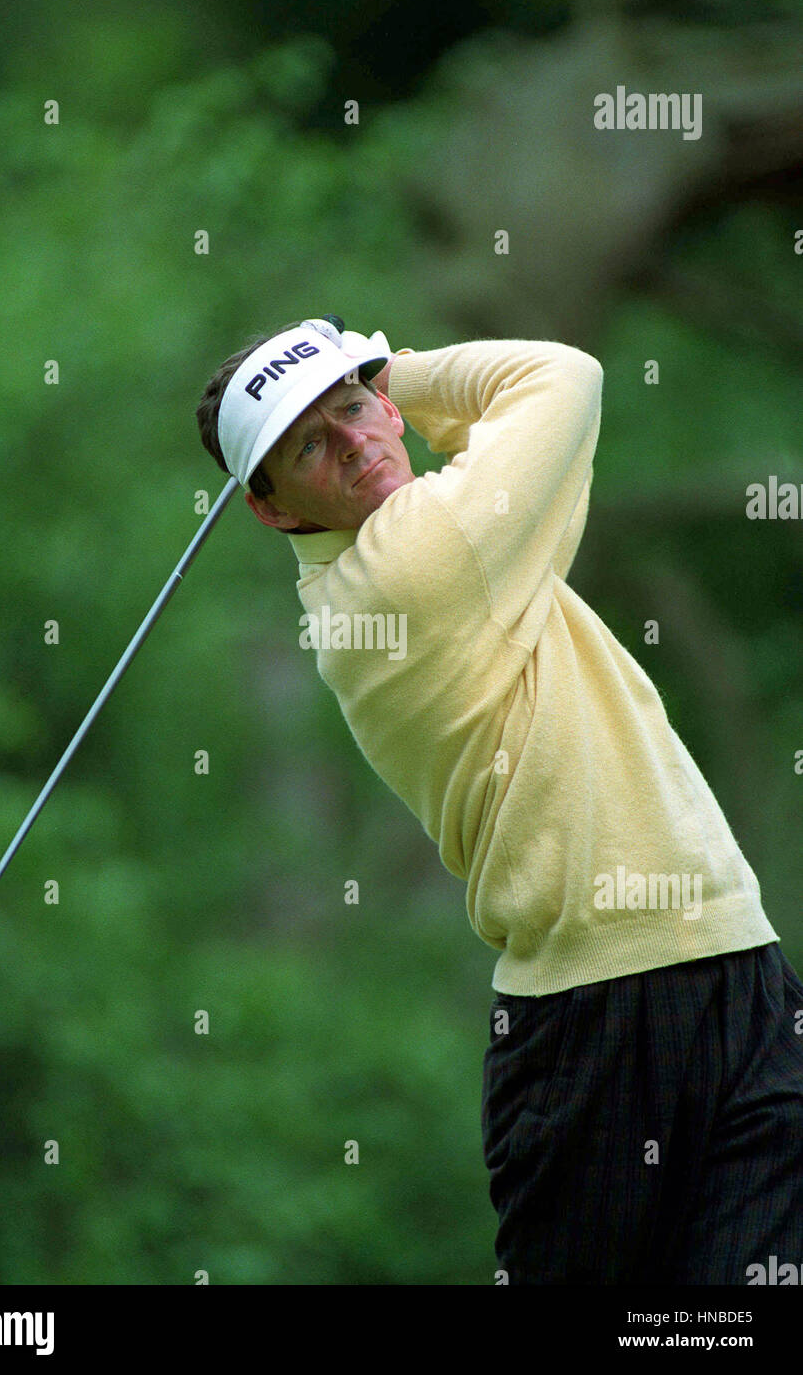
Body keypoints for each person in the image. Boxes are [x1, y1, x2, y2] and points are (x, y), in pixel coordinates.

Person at [196, 314, 803, 1284]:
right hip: (591, 1020)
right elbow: (559, 378)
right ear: (271, 510)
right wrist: (391, 366)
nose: (354, 443)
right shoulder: (410, 565)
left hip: (735, 962)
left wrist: (373, 389)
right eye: (313, 443)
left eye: (356, 409)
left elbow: (509, 432)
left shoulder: (448, 544)